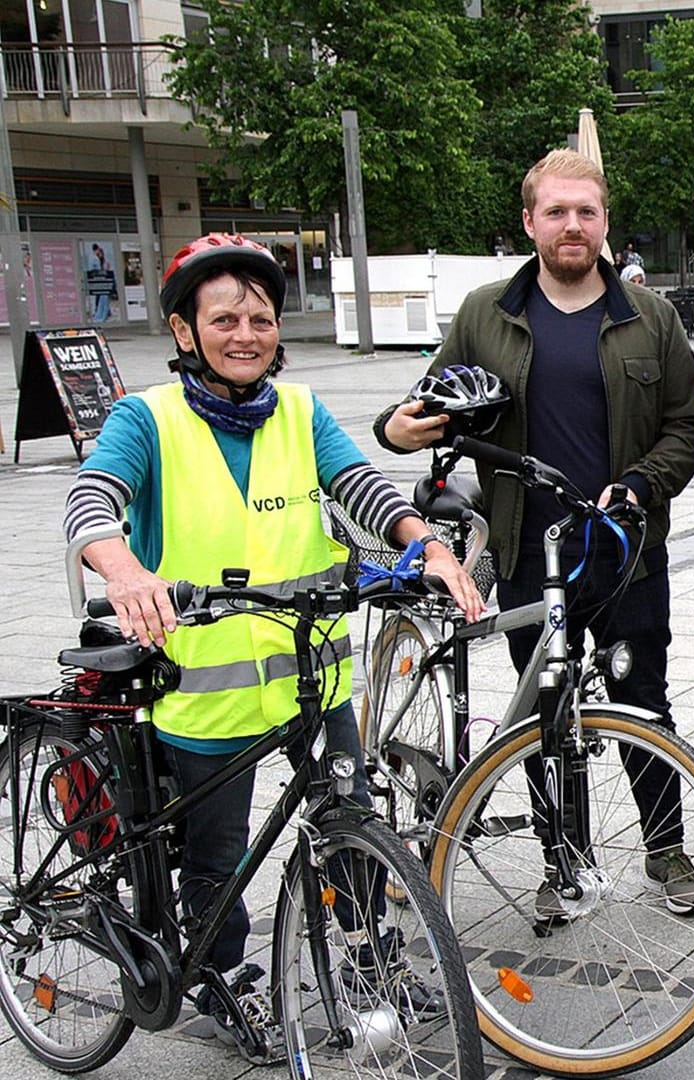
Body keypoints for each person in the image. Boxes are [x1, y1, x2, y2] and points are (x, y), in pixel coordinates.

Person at [64, 233, 484, 1062]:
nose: (245, 333)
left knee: (358, 823)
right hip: (206, 691)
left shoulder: (299, 410)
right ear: (186, 332)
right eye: (224, 319)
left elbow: (357, 484)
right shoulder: (146, 417)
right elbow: (92, 497)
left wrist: (423, 543)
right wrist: (123, 568)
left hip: (313, 678)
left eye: (259, 317)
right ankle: (222, 979)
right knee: (217, 858)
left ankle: (374, 963)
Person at [377, 149, 694, 913]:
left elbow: (685, 429)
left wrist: (638, 485)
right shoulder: (486, 314)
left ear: (603, 223)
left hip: (624, 552)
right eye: (555, 211)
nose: (571, 225)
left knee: (641, 701)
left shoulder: (648, 317)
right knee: (541, 710)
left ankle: (668, 851)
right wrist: (396, 430)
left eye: (585, 212)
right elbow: (421, 409)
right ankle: (565, 862)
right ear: (529, 222)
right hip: (529, 550)